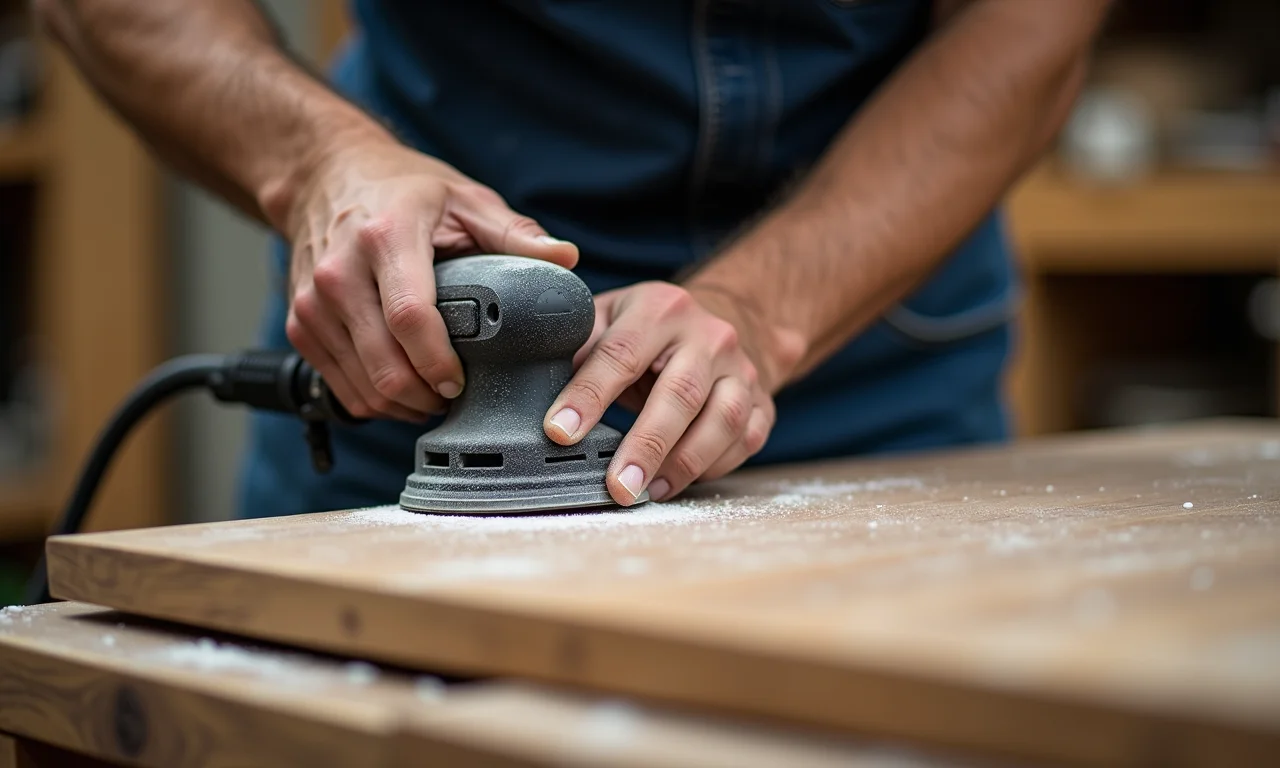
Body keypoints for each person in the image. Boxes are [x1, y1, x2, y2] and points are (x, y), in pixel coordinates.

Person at [37, 0, 1113, 517]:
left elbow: (1030, 28)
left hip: (868, 366)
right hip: (411, 358)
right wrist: (316, 162)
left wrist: (766, 308)